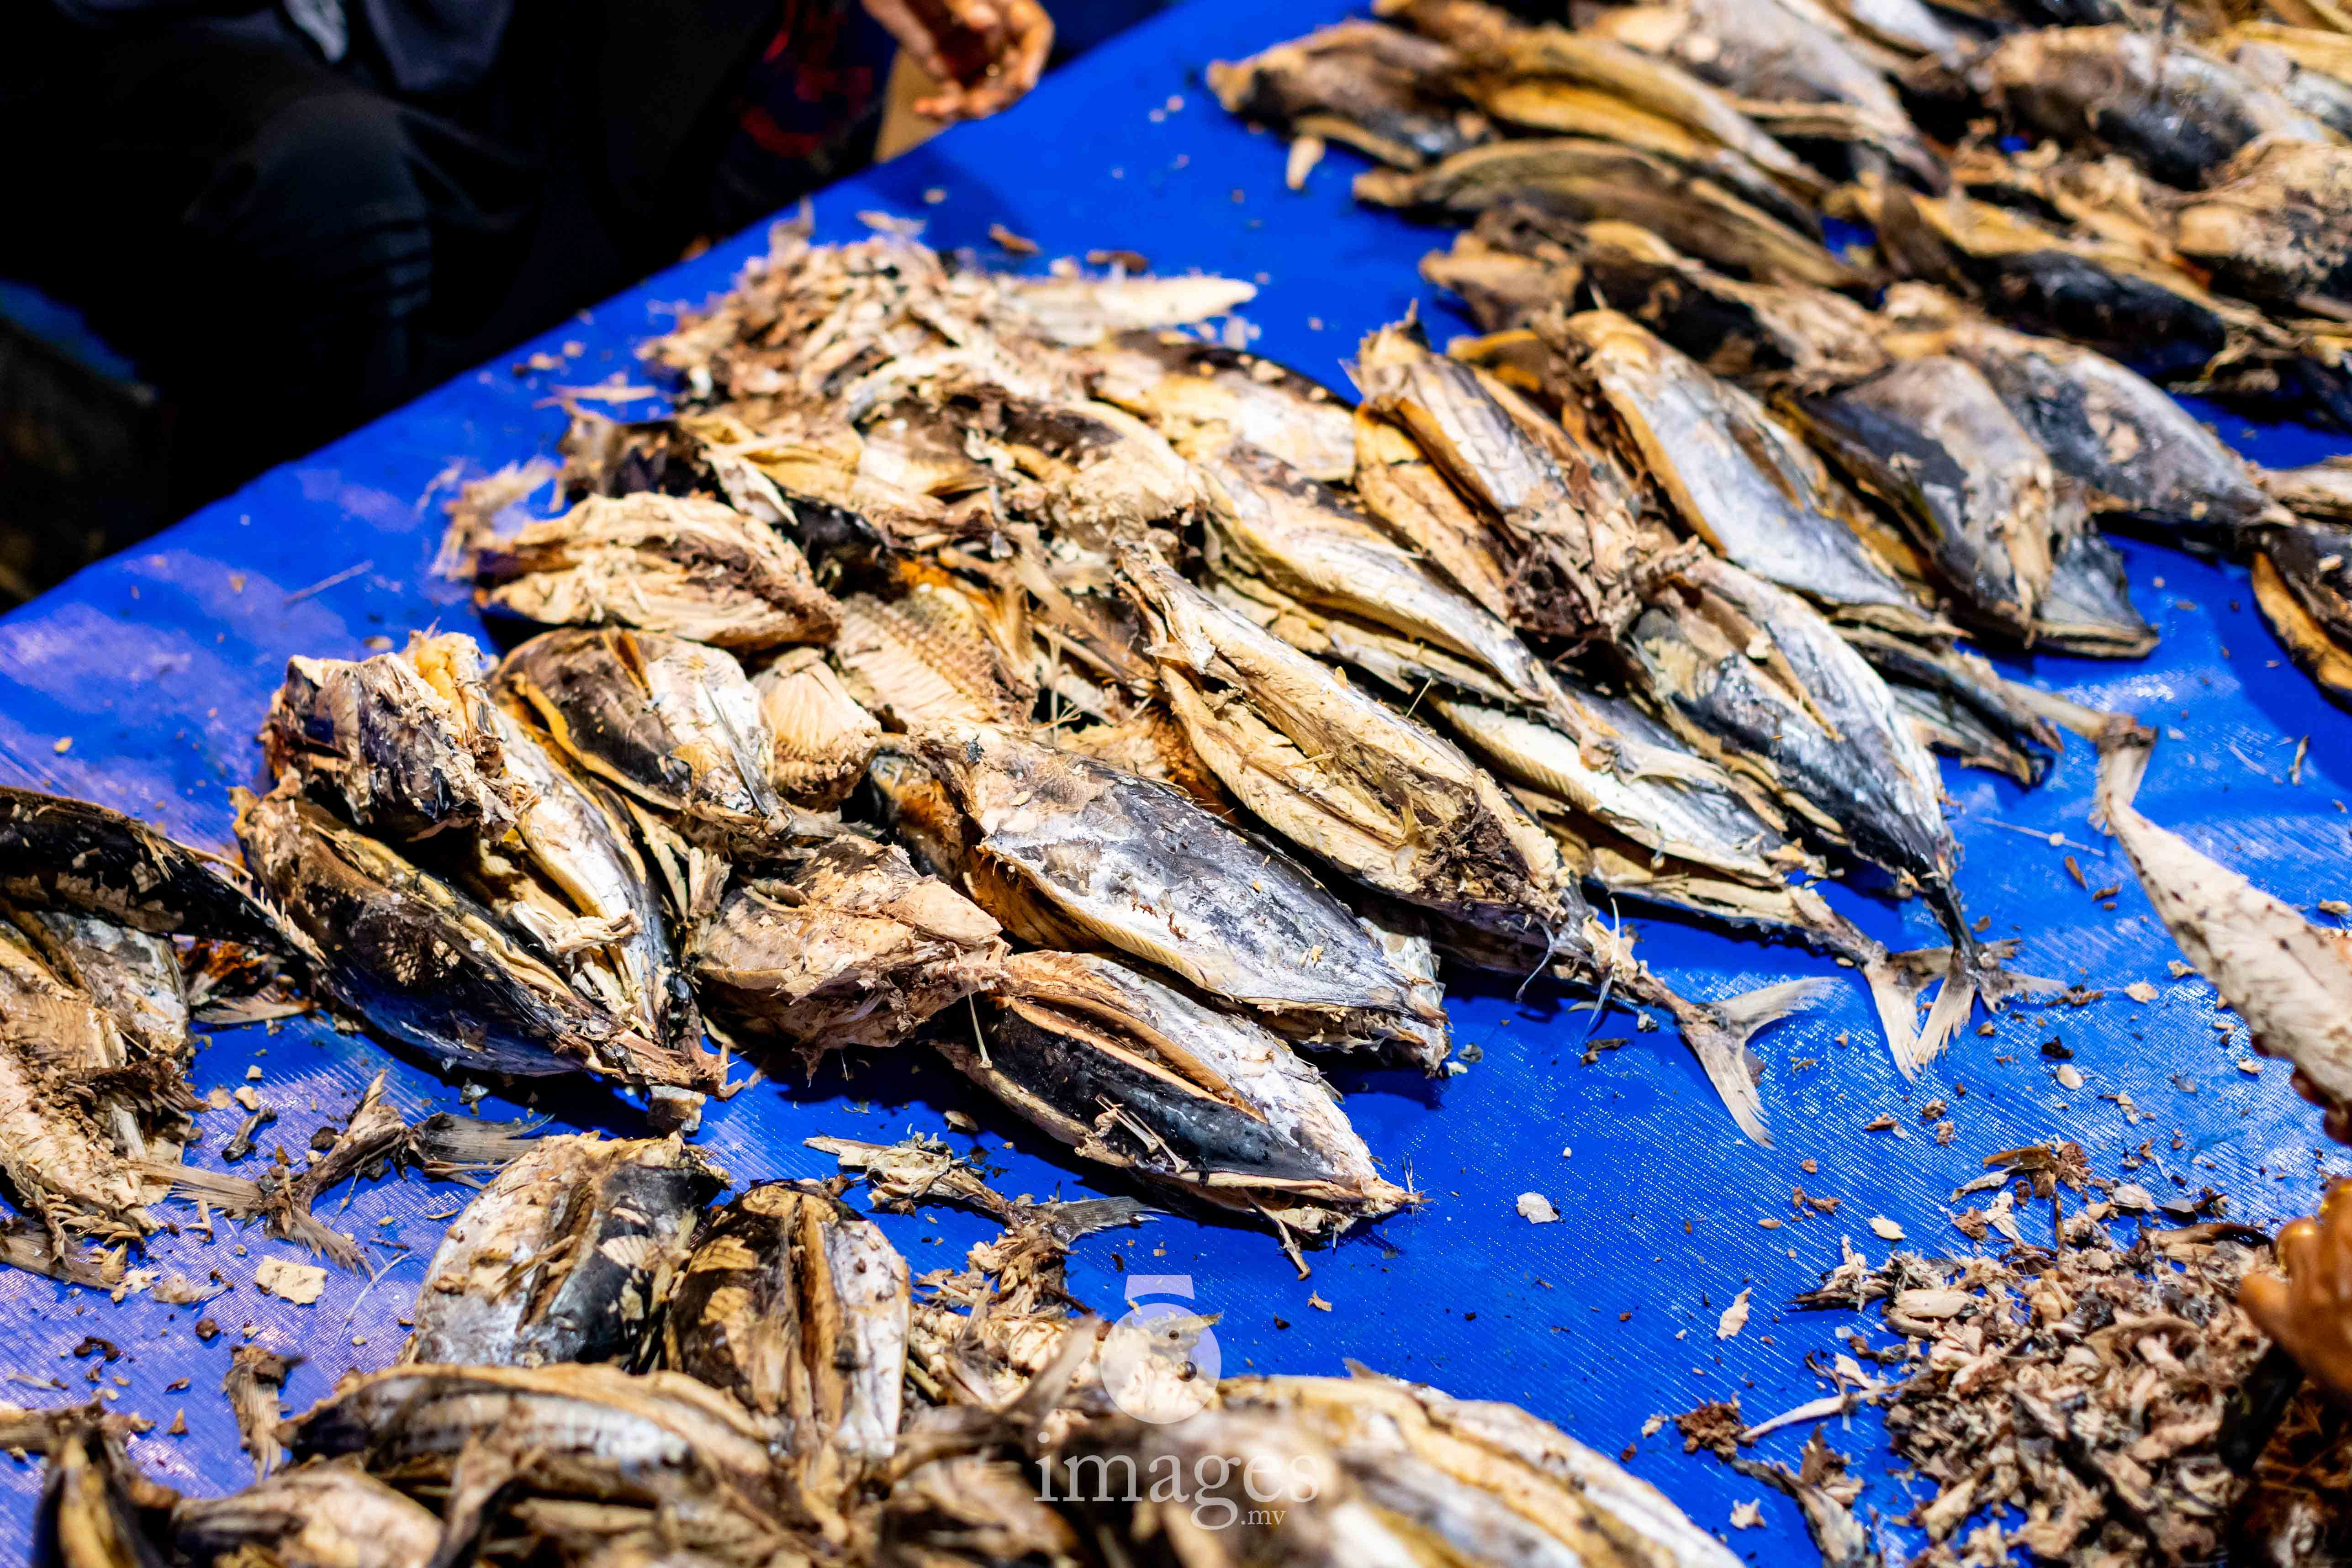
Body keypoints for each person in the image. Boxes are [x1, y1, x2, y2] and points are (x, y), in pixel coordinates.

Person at [0, 0, 1050, 509]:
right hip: (117, 41)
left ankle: (648, 420)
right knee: (332, 189)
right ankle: (247, 550)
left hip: (440, 33)